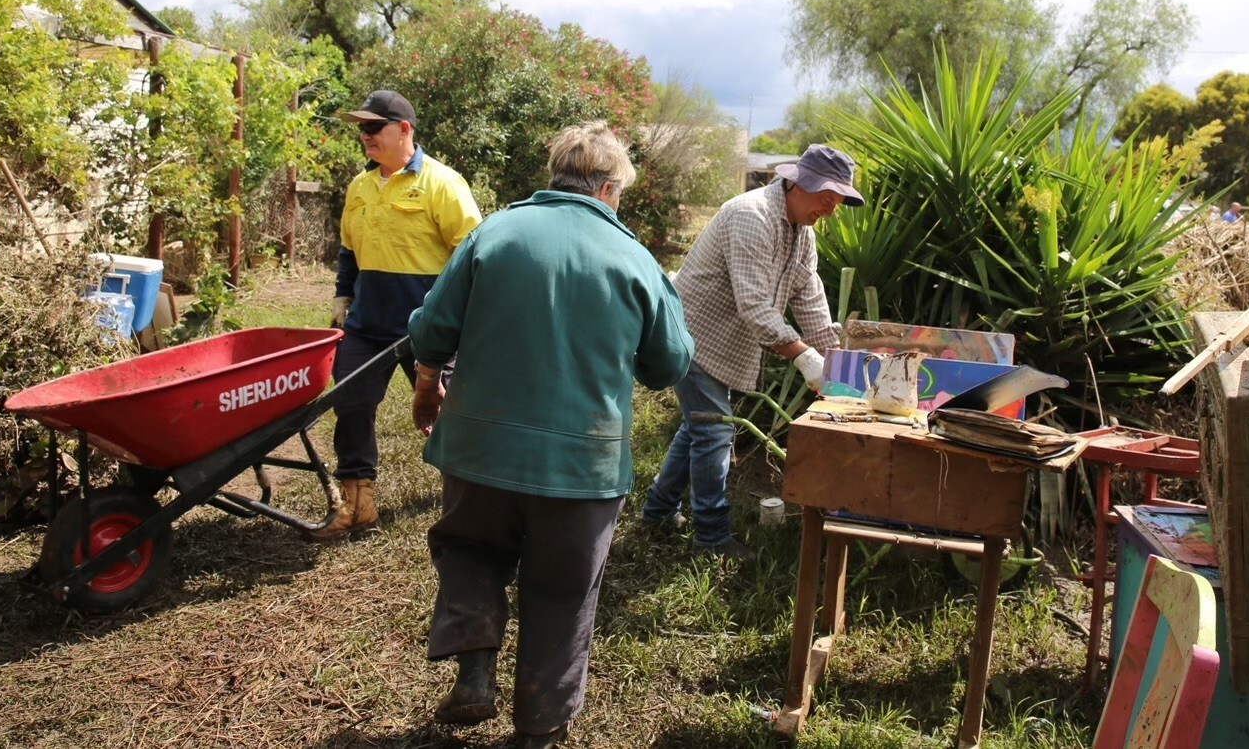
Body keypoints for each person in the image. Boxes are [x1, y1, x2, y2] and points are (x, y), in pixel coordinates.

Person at [409, 121, 694, 749]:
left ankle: (476, 666)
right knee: (564, 592)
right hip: (583, 470)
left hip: (479, 449)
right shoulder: (636, 260)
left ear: (556, 176)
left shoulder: (494, 233)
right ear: (609, 187)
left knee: (467, 546)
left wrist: (426, 375)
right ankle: (537, 732)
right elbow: (668, 365)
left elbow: (431, 333)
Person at [640, 143, 863, 559]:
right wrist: (803, 356)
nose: (830, 211)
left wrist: (833, 358)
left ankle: (657, 511)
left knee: (699, 427)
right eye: (826, 200)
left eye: (837, 204)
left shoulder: (802, 233)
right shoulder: (751, 215)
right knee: (714, 432)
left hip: (725, 340)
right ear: (798, 185)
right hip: (694, 335)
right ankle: (710, 537)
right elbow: (755, 306)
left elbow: (809, 294)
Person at [312, 89, 482, 541]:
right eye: (361, 129)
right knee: (350, 406)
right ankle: (357, 502)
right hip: (366, 325)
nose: (364, 137)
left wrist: (458, 320)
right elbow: (348, 250)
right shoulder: (360, 186)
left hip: (429, 328)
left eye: (372, 128)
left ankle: (469, 502)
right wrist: (341, 296)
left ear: (404, 129)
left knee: (451, 412)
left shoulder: (444, 183)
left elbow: (473, 256)